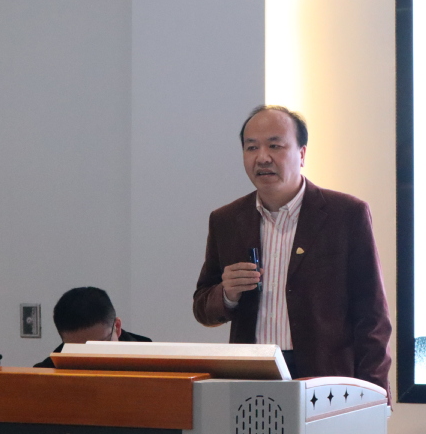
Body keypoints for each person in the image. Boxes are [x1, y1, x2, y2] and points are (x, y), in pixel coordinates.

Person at [193, 105, 392, 395]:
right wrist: (227, 294)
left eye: (275, 146)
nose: (263, 157)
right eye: (252, 147)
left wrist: (374, 393)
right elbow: (202, 307)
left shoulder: (346, 214)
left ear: (302, 154)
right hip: (252, 377)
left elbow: (372, 316)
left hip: (326, 379)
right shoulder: (227, 220)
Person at [34, 286, 151, 368]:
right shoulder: (44, 375)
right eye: (78, 350)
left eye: (99, 345)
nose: (90, 358)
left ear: (117, 327)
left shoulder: (151, 361)